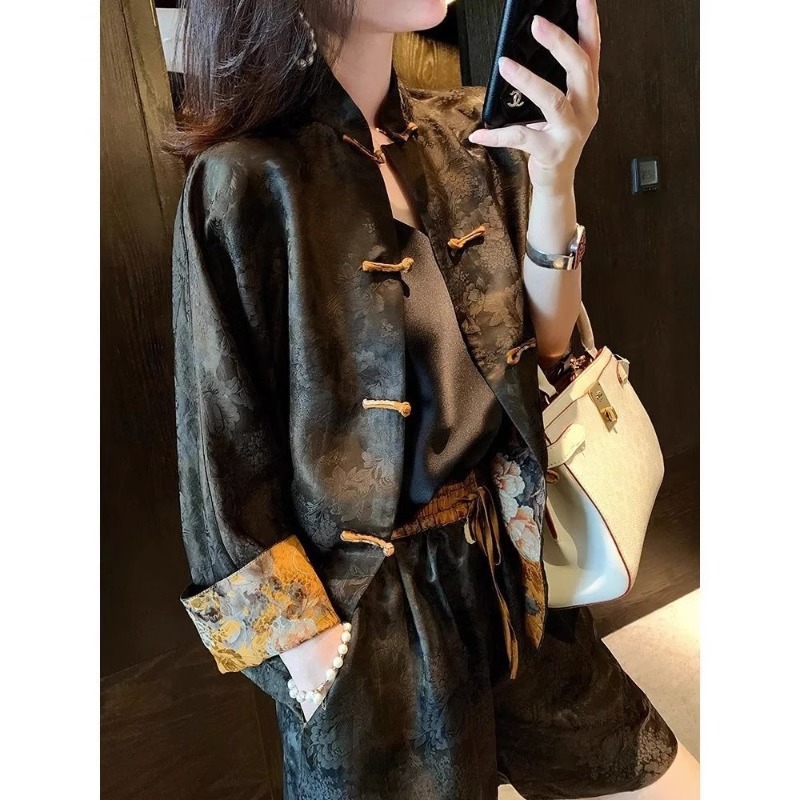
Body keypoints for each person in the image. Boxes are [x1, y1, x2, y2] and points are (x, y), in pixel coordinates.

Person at [167, 1, 700, 798]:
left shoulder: (470, 134)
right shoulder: (244, 181)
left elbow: (548, 351)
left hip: (511, 577)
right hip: (370, 629)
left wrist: (555, 177)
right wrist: (316, 663)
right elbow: (221, 461)